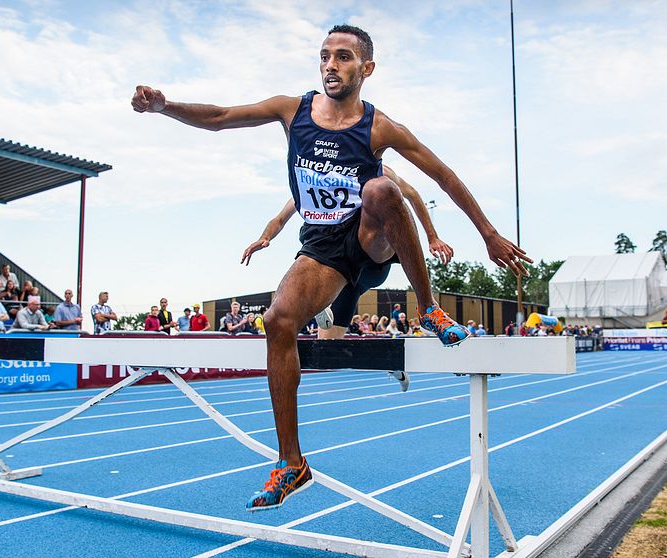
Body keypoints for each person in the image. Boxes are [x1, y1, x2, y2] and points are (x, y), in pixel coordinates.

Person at [134, 24, 531, 511]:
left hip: (371, 239)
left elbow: (443, 176)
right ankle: (291, 463)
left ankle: (429, 310)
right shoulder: (292, 110)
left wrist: (488, 234)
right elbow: (219, 116)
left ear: (366, 69)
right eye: (324, 56)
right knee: (277, 320)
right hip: (323, 250)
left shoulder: (380, 127)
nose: (330, 65)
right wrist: (163, 106)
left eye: (343, 57)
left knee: (380, 189)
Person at [242, 165, 454, 342]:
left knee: (382, 201)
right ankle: (389, 362)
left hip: (372, 261)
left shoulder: (380, 173)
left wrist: (432, 237)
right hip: (343, 272)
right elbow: (280, 219)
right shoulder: (312, 183)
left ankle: (428, 307)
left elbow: (413, 195)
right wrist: (265, 236)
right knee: (326, 345)